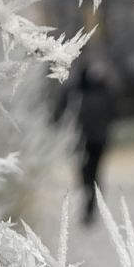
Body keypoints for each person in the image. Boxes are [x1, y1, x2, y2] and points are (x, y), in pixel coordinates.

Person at [55, 51, 117, 225]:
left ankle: (90, 206)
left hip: (86, 139)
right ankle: (90, 205)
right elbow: (113, 114)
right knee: (91, 174)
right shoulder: (101, 91)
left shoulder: (78, 91)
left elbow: (60, 111)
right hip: (91, 139)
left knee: (88, 174)